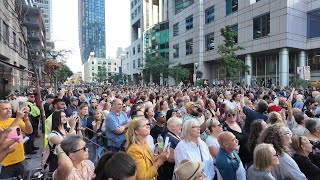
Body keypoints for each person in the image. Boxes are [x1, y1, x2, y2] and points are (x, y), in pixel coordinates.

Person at [0, 100, 33, 179]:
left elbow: (29, 131)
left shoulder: (14, 120)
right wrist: (18, 118)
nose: (8, 110)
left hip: (21, 160)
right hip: (5, 164)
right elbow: (6, 135)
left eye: (10, 108)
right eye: (4, 109)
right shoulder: (16, 120)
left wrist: (26, 118)